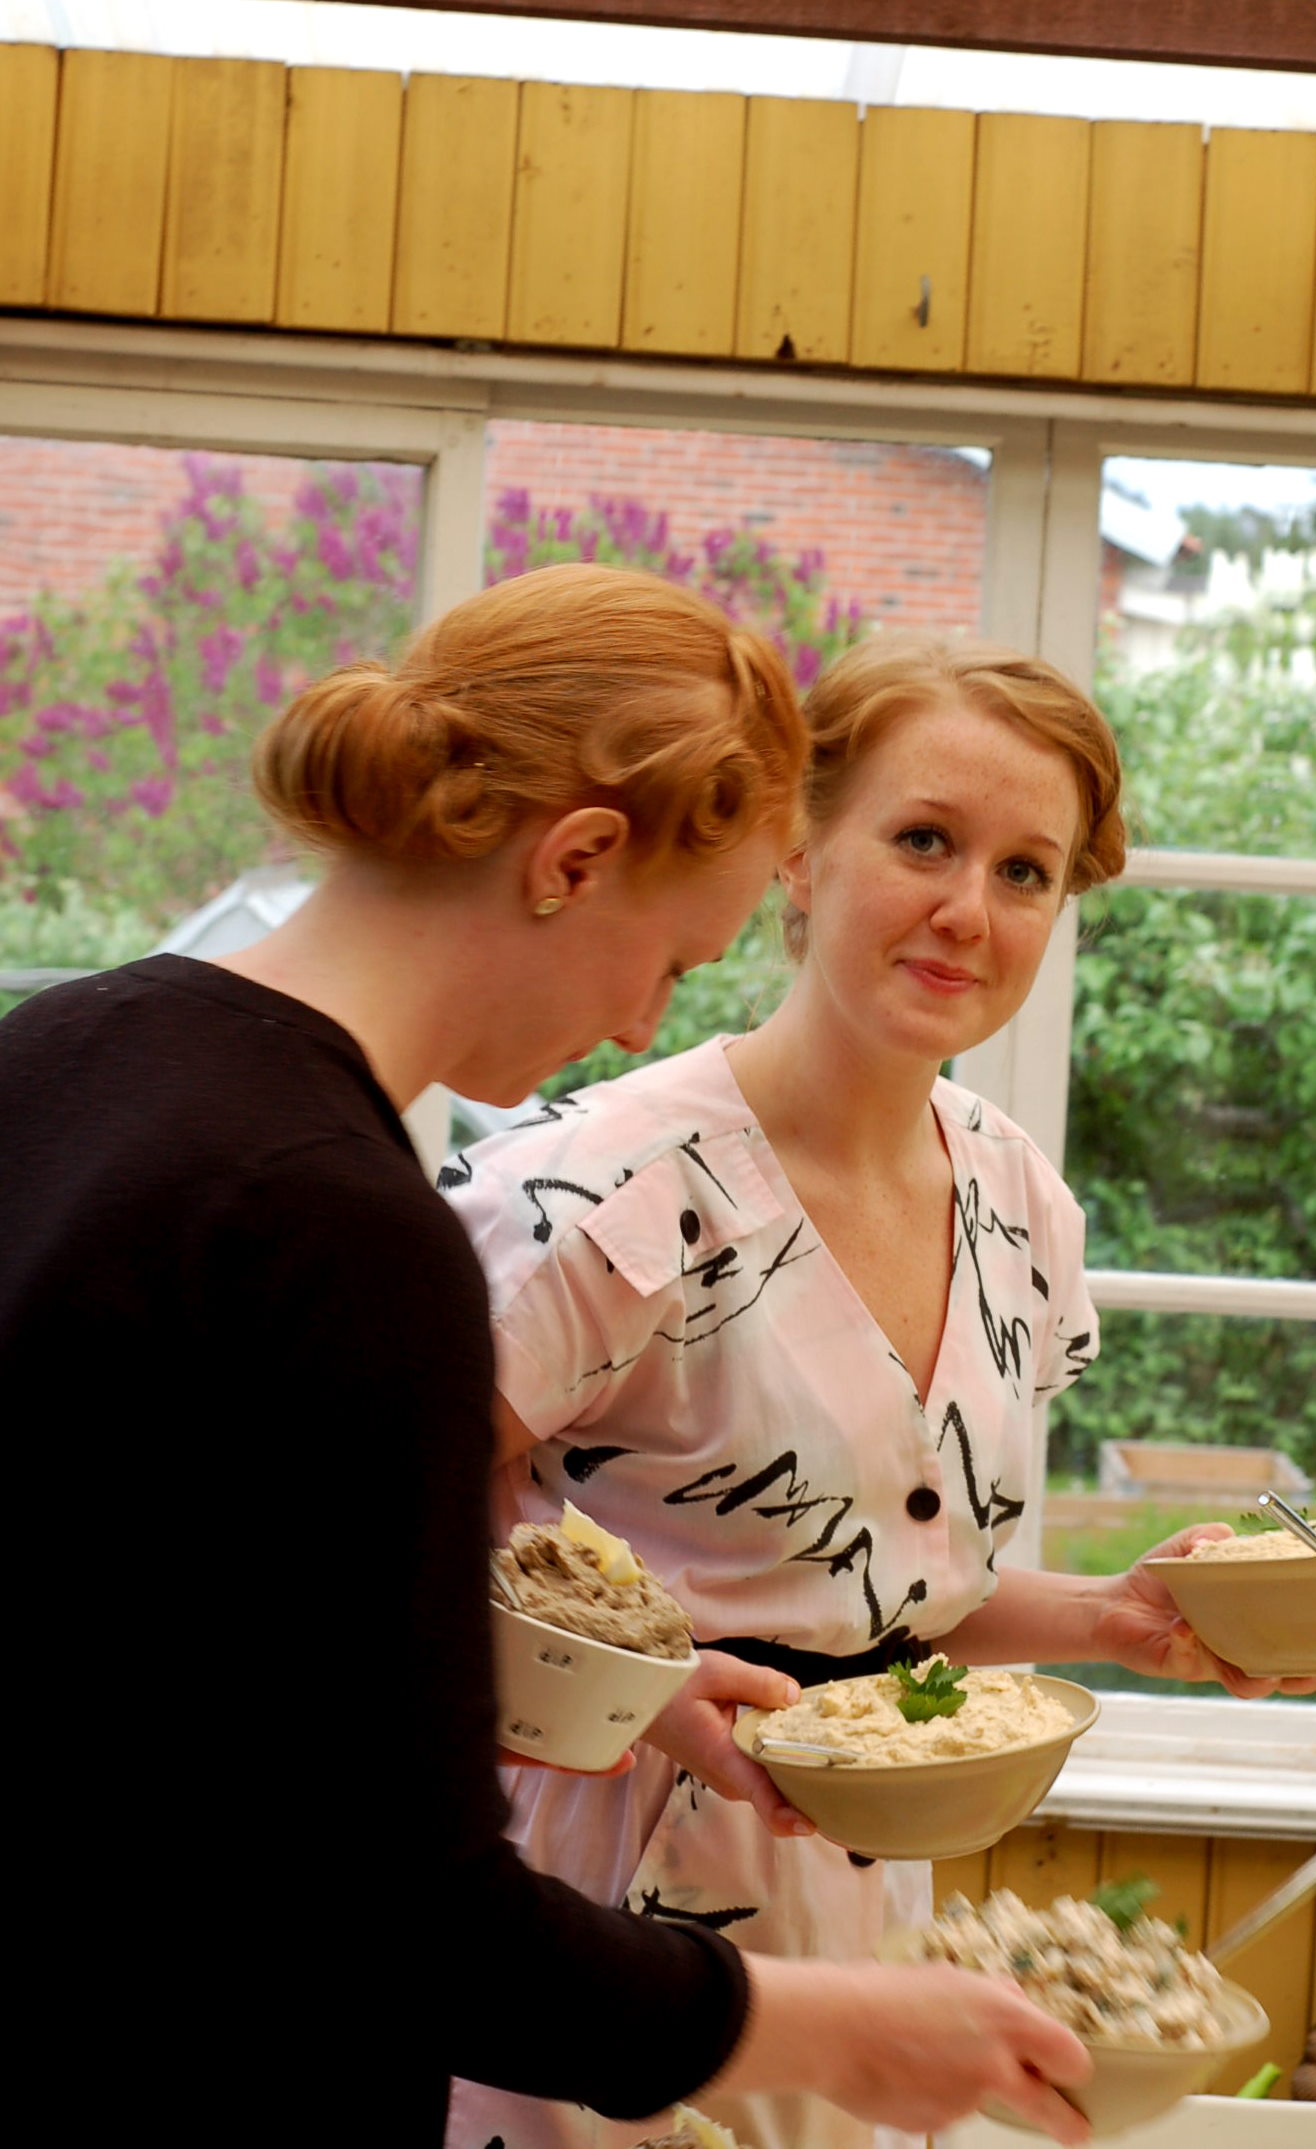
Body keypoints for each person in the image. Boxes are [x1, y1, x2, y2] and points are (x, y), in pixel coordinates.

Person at [1, 570, 1095, 2149]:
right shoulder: (345, 1228)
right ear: (574, 860)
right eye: (675, 958)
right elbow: (411, 1913)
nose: (645, 1021)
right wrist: (839, 2032)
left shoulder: (61, 1049)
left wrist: (626, 1680)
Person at [447, 629, 1316, 2149]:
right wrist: (644, 1699)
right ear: (798, 846)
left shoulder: (1017, 1203)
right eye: (924, 839)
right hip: (586, 1933)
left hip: (872, 1940)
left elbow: (880, 1604)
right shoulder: (600, 1192)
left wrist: (1115, 1617)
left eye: (1025, 871)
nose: (968, 910)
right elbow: (353, 1553)